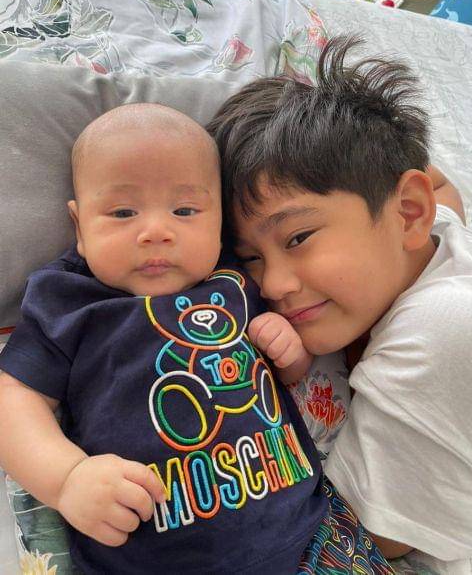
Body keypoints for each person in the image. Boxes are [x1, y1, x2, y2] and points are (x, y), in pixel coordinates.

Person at [0, 103, 391, 573]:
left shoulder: (237, 281)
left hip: (311, 534)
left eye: (185, 210)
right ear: (80, 226)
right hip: (154, 560)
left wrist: (288, 351)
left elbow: (285, 378)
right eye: (123, 212)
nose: (156, 232)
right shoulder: (68, 302)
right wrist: (67, 479)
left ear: (219, 221)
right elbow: (13, 396)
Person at [207, 36, 472, 562]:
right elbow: (441, 187)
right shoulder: (432, 235)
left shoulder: (438, 332)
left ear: (408, 213)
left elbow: (377, 535)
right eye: (249, 258)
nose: (271, 286)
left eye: (297, 238)